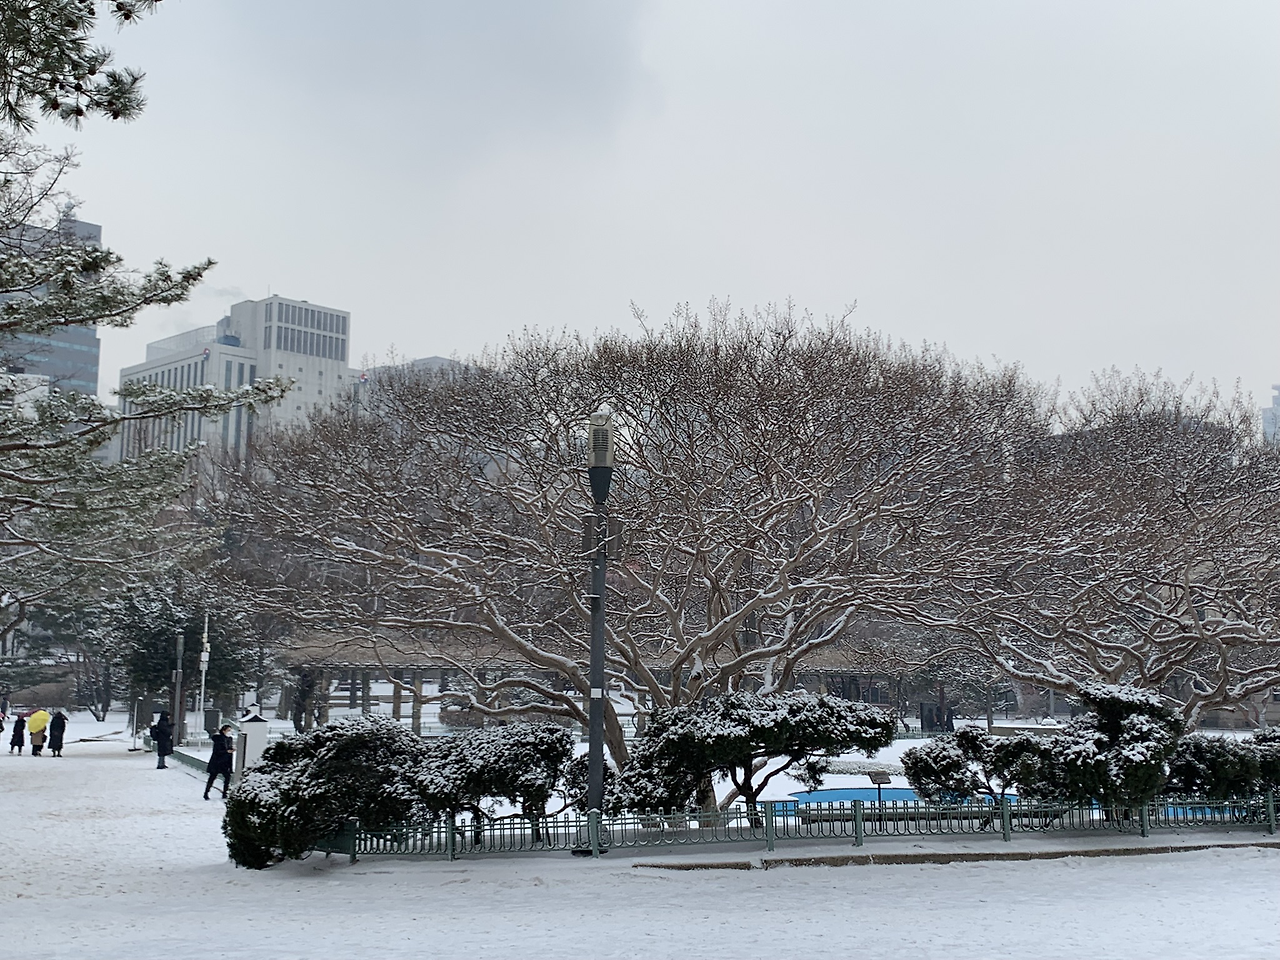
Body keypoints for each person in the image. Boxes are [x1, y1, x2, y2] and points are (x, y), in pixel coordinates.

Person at [204, 724, 235, 800]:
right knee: (212, 777)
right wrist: (226, 751)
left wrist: (231, 750)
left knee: (227, 777)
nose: (230, 732)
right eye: (228, 730)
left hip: (225, 762)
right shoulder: (218, 739)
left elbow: (229, 749)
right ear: (223, 731)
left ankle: (225, 793)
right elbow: (217, 751)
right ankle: (206, 793)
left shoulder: (229, 739)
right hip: (217, 762)